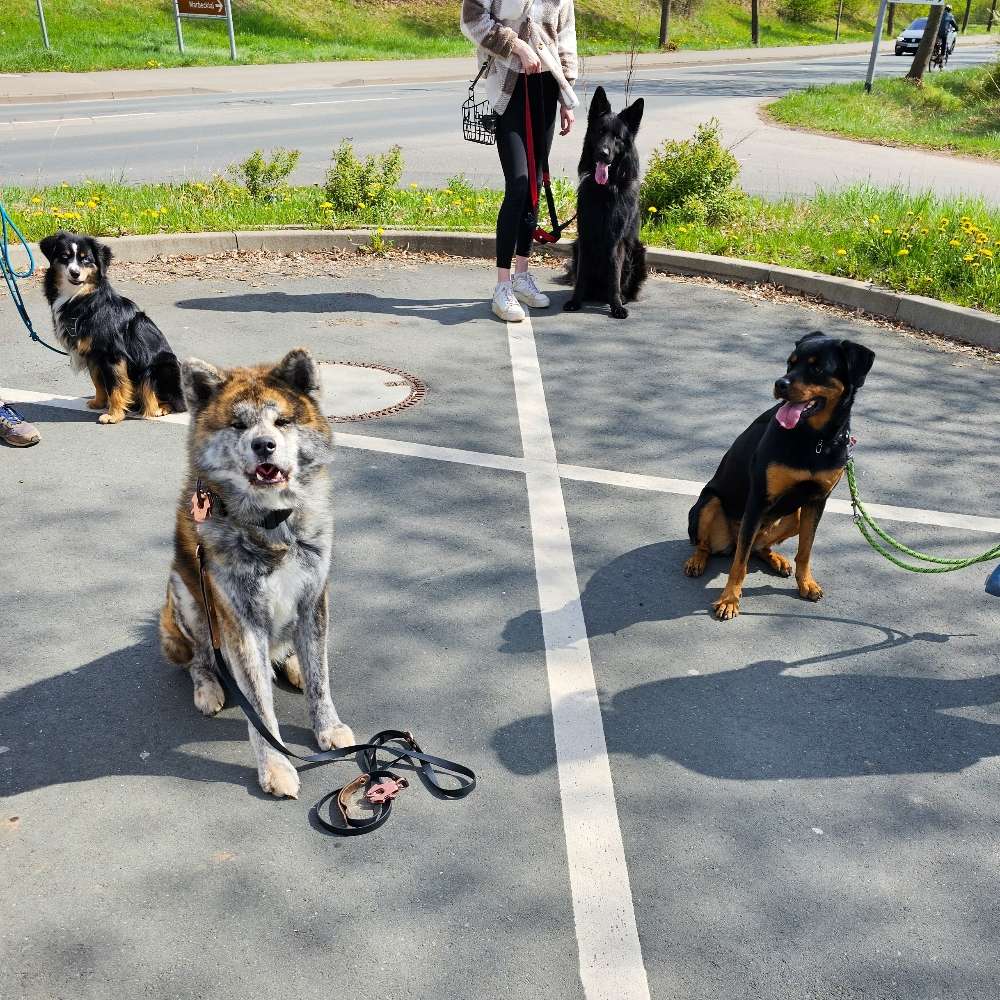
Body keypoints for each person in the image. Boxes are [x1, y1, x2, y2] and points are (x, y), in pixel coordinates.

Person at [461, 0, 579, 322]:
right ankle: (502, 286)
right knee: (519, 183)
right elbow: (471, 18)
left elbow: (565, 35)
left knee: (536, 185)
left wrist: (566, 96)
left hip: (546, 87)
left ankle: (522, 275)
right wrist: (515, 46)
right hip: (510, 87)